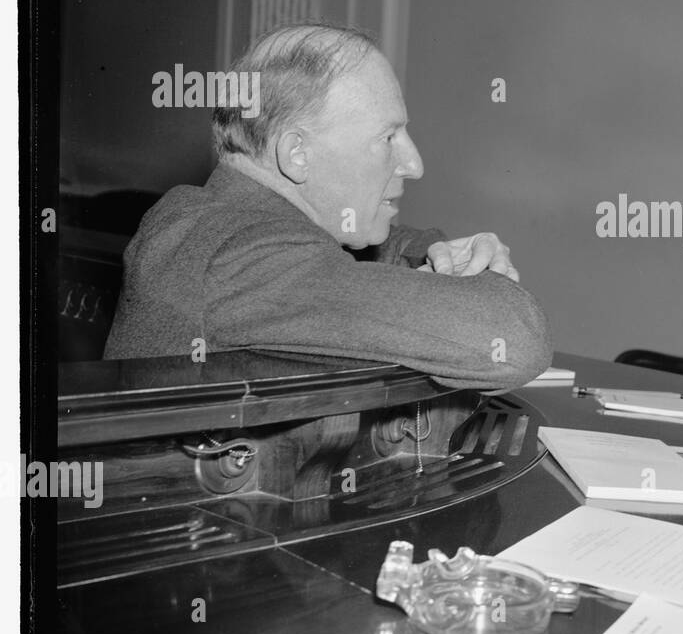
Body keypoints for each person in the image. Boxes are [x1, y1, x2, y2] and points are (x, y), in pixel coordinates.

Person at [105, 23, 551, 389]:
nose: (413, 164)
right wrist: (475, 281)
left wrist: (444, 254)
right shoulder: (243, 257)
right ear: (296, 153)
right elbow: (511, 340)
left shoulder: (224, 219)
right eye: (387, 138)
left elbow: (375, 249)